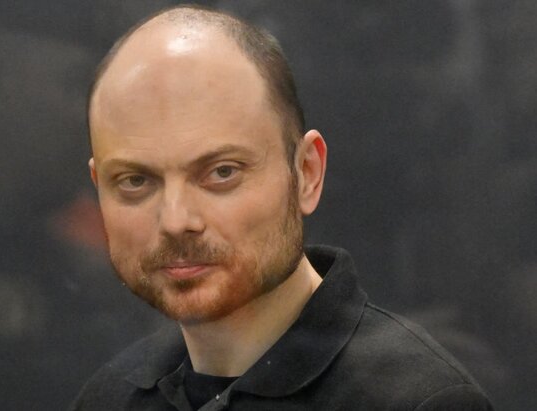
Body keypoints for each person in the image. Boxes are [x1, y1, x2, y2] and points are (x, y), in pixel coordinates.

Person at [72, 4, 492, 410]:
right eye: (135, 181)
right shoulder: (108, 397)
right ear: (98, 187)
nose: (176, 220)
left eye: (222, 172)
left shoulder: (417, 402)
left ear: (307, 172)